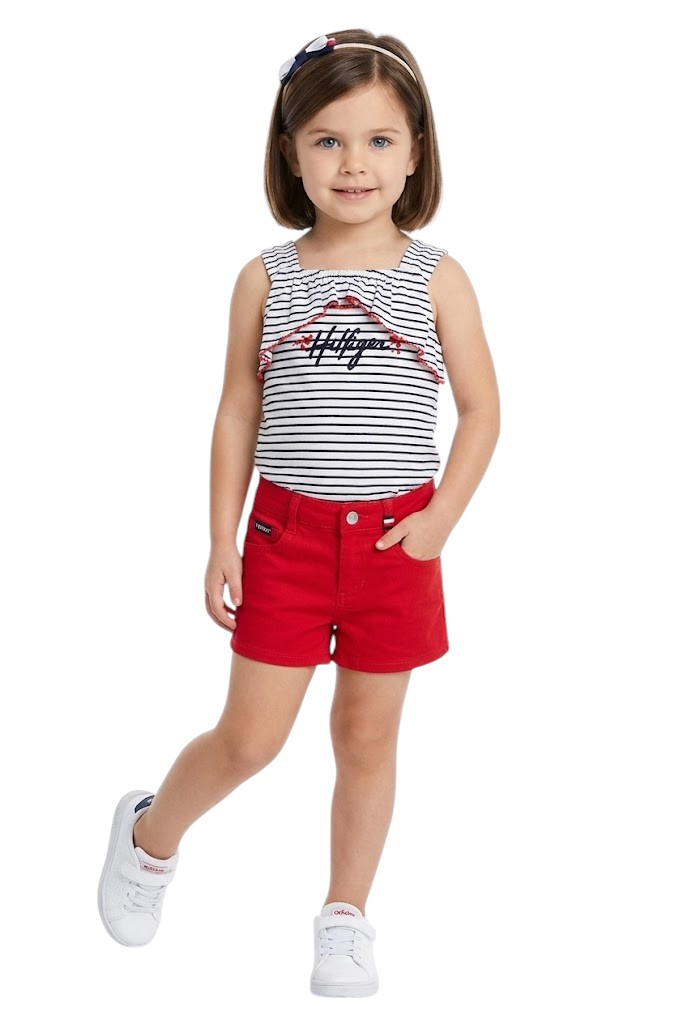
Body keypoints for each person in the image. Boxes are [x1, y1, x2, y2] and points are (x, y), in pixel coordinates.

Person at [98, 28, 500, 998]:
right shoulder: (266, 279)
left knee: (366, 737)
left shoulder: (436, 277)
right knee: (252, 739)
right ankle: (149, 836)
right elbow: (237, 409)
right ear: (289, 151)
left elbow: (482, 409)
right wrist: (220, 538)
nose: (353, 164)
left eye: (378, 140)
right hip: (287, 538)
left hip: (398, 542)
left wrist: (442, 518)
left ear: (416, 150)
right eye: (327, 140)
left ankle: (345, 916)